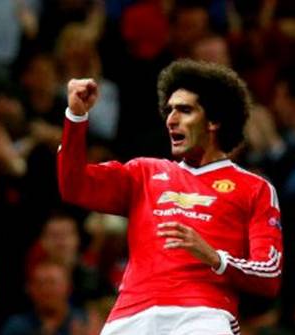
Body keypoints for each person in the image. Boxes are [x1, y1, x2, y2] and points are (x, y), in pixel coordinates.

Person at [59, 59, 283, 334]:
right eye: (169, 110)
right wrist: (76, 117)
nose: (171, 120)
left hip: (202, 316)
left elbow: (269, 275)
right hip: (131, 316)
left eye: (184, 110)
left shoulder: (254, 188)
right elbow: (73, 185)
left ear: (214, 120)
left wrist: (214, 257)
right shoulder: (144, 173)